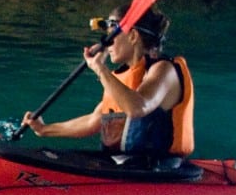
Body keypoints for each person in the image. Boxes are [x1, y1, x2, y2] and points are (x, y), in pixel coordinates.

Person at [23, 9, 194, 160]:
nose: (106, 44)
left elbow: (138, 108)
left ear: (133, 36)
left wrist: (99, 68)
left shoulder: (164, 69)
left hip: (158, 171)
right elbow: (93, 121)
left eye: (111, 36)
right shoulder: (125, 77)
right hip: (121, 166)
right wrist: (44, 129)